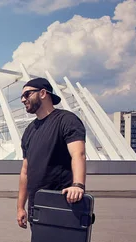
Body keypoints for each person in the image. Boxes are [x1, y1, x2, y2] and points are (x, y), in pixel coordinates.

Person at [17, 77, 87, 229]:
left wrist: (78, 185)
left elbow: (78, 154)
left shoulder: (66, 120)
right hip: (37, 207)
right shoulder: (30, 130)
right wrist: (21, 207)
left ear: (43, 93)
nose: (23, 99)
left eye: (27, 94)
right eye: (21, 96)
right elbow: (25, 171)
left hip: (61, 204)